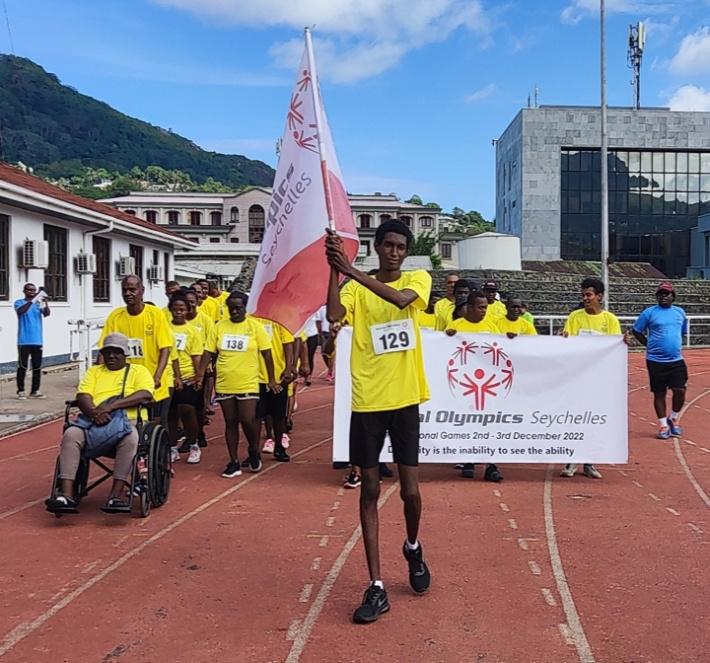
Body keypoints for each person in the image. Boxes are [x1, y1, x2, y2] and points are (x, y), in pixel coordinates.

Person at [326, 218, 432, 624]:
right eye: (387, 245)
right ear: (376, 247)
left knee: (410, 493)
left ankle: (412, 545)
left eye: (400, 246)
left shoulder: (418, 279)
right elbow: (335, 312)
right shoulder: (353, 286)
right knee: (368, 489)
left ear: (406, 251)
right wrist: (334, 270)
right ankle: (376, 585)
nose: (393, 251)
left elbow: (401, 301)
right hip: (367, 400)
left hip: (404, 398)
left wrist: (350, 270)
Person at [46, 333, 154, 514]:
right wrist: (94, 413)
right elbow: (83, 396)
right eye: (107, 352)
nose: (111, 356)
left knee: (131, 438)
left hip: (127, 421)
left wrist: (110, 407)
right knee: (71, 434)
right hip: (93, 420)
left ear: (125, 354)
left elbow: (145, 394)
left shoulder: (138, 371)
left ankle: (115, 496)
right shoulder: (94, 371)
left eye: (116, 352)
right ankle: (66, 495)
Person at [196, 291, 279, 478]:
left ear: (245, 308)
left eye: (238, 308)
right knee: (230, 421)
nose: (234, 311)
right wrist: (200, 374)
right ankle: (233, 461)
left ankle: (252, 448)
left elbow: (267, 354)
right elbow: (208, 352)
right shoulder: (219, 328)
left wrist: (272, 379)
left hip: (248, 380)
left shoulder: (255, 327)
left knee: (248, 419)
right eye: (231, 308)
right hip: (225, 381)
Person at [560, 277, 622, 479]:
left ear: (599, 296)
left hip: (598, 379)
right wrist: (563, 338)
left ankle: (589, 462)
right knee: (575, 419)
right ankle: (571, 461)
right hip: (578, 377)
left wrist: (624, 342)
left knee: (593, 420)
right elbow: (568, 342)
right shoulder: (575, 317)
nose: (585, 298)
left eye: (589, 295)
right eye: (583, 295)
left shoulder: (610, 320)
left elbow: (615, 347)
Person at [99, 276, 174, 426]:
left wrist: (157, 376)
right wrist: (99, 375)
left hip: (153, 380)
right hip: (127, 381)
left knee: (156, 425)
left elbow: (165, 348)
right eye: (124, 290)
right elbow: (103, 350)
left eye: (132, 290)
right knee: (129, 423)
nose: (128, 294)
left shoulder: (155, 314)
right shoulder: (115, 316)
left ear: (142, 291)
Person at [445, 291, 504, 482]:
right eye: (480, 307)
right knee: (468, 422)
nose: (484, 311)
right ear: (469, 308)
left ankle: (491, 465)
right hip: (464, 383)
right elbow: (445, 350)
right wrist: (447, 337)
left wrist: (510, 339)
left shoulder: (491, 326)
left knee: (489, 424)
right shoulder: (456, 326)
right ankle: (468, 460)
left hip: (488, 384)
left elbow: (501, 351)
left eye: (486, 307)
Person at [631, 281, 688, 439]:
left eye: (666, 294)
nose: (663, 296)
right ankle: (663, 425)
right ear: (657, 296)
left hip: (676, 360)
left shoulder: (680, 313)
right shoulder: (649, 313)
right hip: (655, 361)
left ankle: (674, 417)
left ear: (672, 297)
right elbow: (637, 330)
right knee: (659, 393)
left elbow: (682, 332)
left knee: (680, 390)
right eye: (660, 294)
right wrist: (648, 344)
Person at [167, 294, 204, 464]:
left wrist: (198, 376)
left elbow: (197, 356)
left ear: (188, 310)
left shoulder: (192, 332)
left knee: (187, 410)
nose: (178, 312)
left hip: (188, 375)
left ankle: (193, 444)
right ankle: (172, 447)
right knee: (171, 413)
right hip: (169, 376)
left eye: (182, 309)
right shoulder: (165, 328)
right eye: (175, 309)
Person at [253, 316, 294, 461]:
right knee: (256, 416)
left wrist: (288, 367)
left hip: (278, 376)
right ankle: (253, 451)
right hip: (254, 376)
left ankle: (279, 447)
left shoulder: (280, 319)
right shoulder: (251, 319)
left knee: (278, 415)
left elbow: (288, 344)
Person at [15, 283, 50, 399]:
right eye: (29, 290)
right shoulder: (19, 302)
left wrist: (46, 303)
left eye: (34, 290)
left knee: (37, 366)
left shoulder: (38, 304)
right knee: (23, 366)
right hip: (24, 340)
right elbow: (21, 311)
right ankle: (21, 390)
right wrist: (33, 300)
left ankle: (35, 390)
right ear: (24, 291)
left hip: (37, 340)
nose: (32, 292)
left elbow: (46, 314)